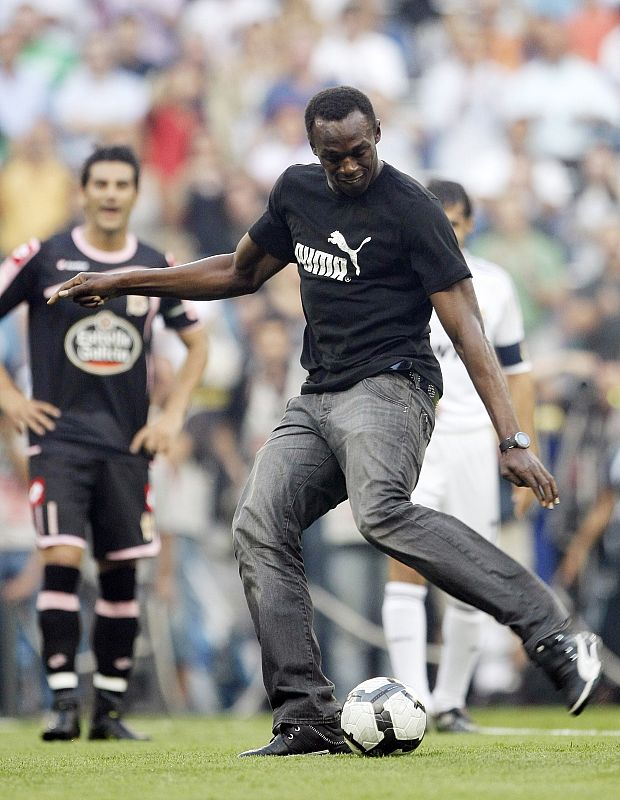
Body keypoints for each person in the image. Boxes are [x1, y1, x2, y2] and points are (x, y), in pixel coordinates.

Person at [49, 87, 601, 757]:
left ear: (378, 135)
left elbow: (469, 327)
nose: (347, 167)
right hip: (317, 395)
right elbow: (236, 270)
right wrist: (133, 278)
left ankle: (549, 628)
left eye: (359, 152)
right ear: (314, 151)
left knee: (380, 511)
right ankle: (305, 717)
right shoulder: (296, 192)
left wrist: (511, 437)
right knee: (257, 522)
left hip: (393, 388)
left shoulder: (411, 210)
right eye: (332, 156)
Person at [0, 145, 208, 741]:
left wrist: (170, 416)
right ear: (83, 192)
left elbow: (198, 345)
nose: (112, 193)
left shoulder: (152, 264)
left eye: (122, 184)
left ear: (136, 194)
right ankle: (63, 703)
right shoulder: (44, 257)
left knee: (122, 575)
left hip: (127, 446)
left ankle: (109, 713)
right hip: (58, 440)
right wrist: (11, 398)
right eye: (102, 184)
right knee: (62, 558)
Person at [381, 178, 537, 733]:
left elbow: (517, 373)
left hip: (476, 441)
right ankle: (411, 702)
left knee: (473, 572)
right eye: (435, 220)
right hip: (416, 435)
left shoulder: (494, 285)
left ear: (469, 225)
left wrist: (521, 444)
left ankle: (449, 701)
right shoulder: (396, 278)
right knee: (405, 563)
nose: (444, 231)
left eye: (454, 222)